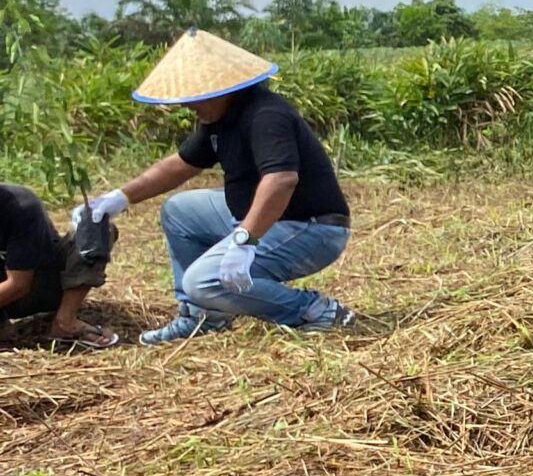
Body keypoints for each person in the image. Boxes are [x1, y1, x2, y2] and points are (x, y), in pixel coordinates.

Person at [79, 30, 356, 342]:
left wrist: (245, 240)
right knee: (179, 210)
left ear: (219, 87)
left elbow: (281, 180)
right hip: (270, 220)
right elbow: (179, 164)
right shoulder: (221, 120)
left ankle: (315, 311)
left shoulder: (266, 115)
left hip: (311, 228)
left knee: (204, 282)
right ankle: (203, 316)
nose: (187, 104)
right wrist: (119, 198)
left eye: (193, 94)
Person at [0, 183, 118, 350]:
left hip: (45, 284)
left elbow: (19, 284)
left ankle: (66, 321)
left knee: (96, 226)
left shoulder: (21, 206)